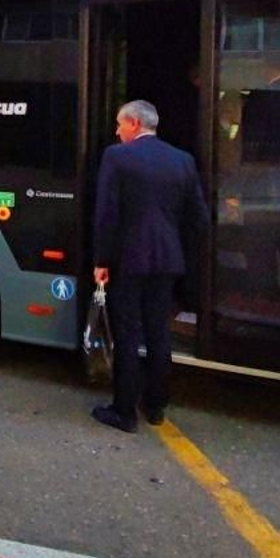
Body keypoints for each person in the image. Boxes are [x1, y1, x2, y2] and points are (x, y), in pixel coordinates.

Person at [90, 99, 207, 433]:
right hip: (168, 259)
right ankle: (156, 406)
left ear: (134, 124)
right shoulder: (182, 160)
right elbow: (198, 218)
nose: (117, 131)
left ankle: (124, 411)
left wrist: (101, 260)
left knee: (127, 334)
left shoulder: (117, 157)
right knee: (158, 332)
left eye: (119, 124)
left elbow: (107, 213)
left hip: (128, 260)